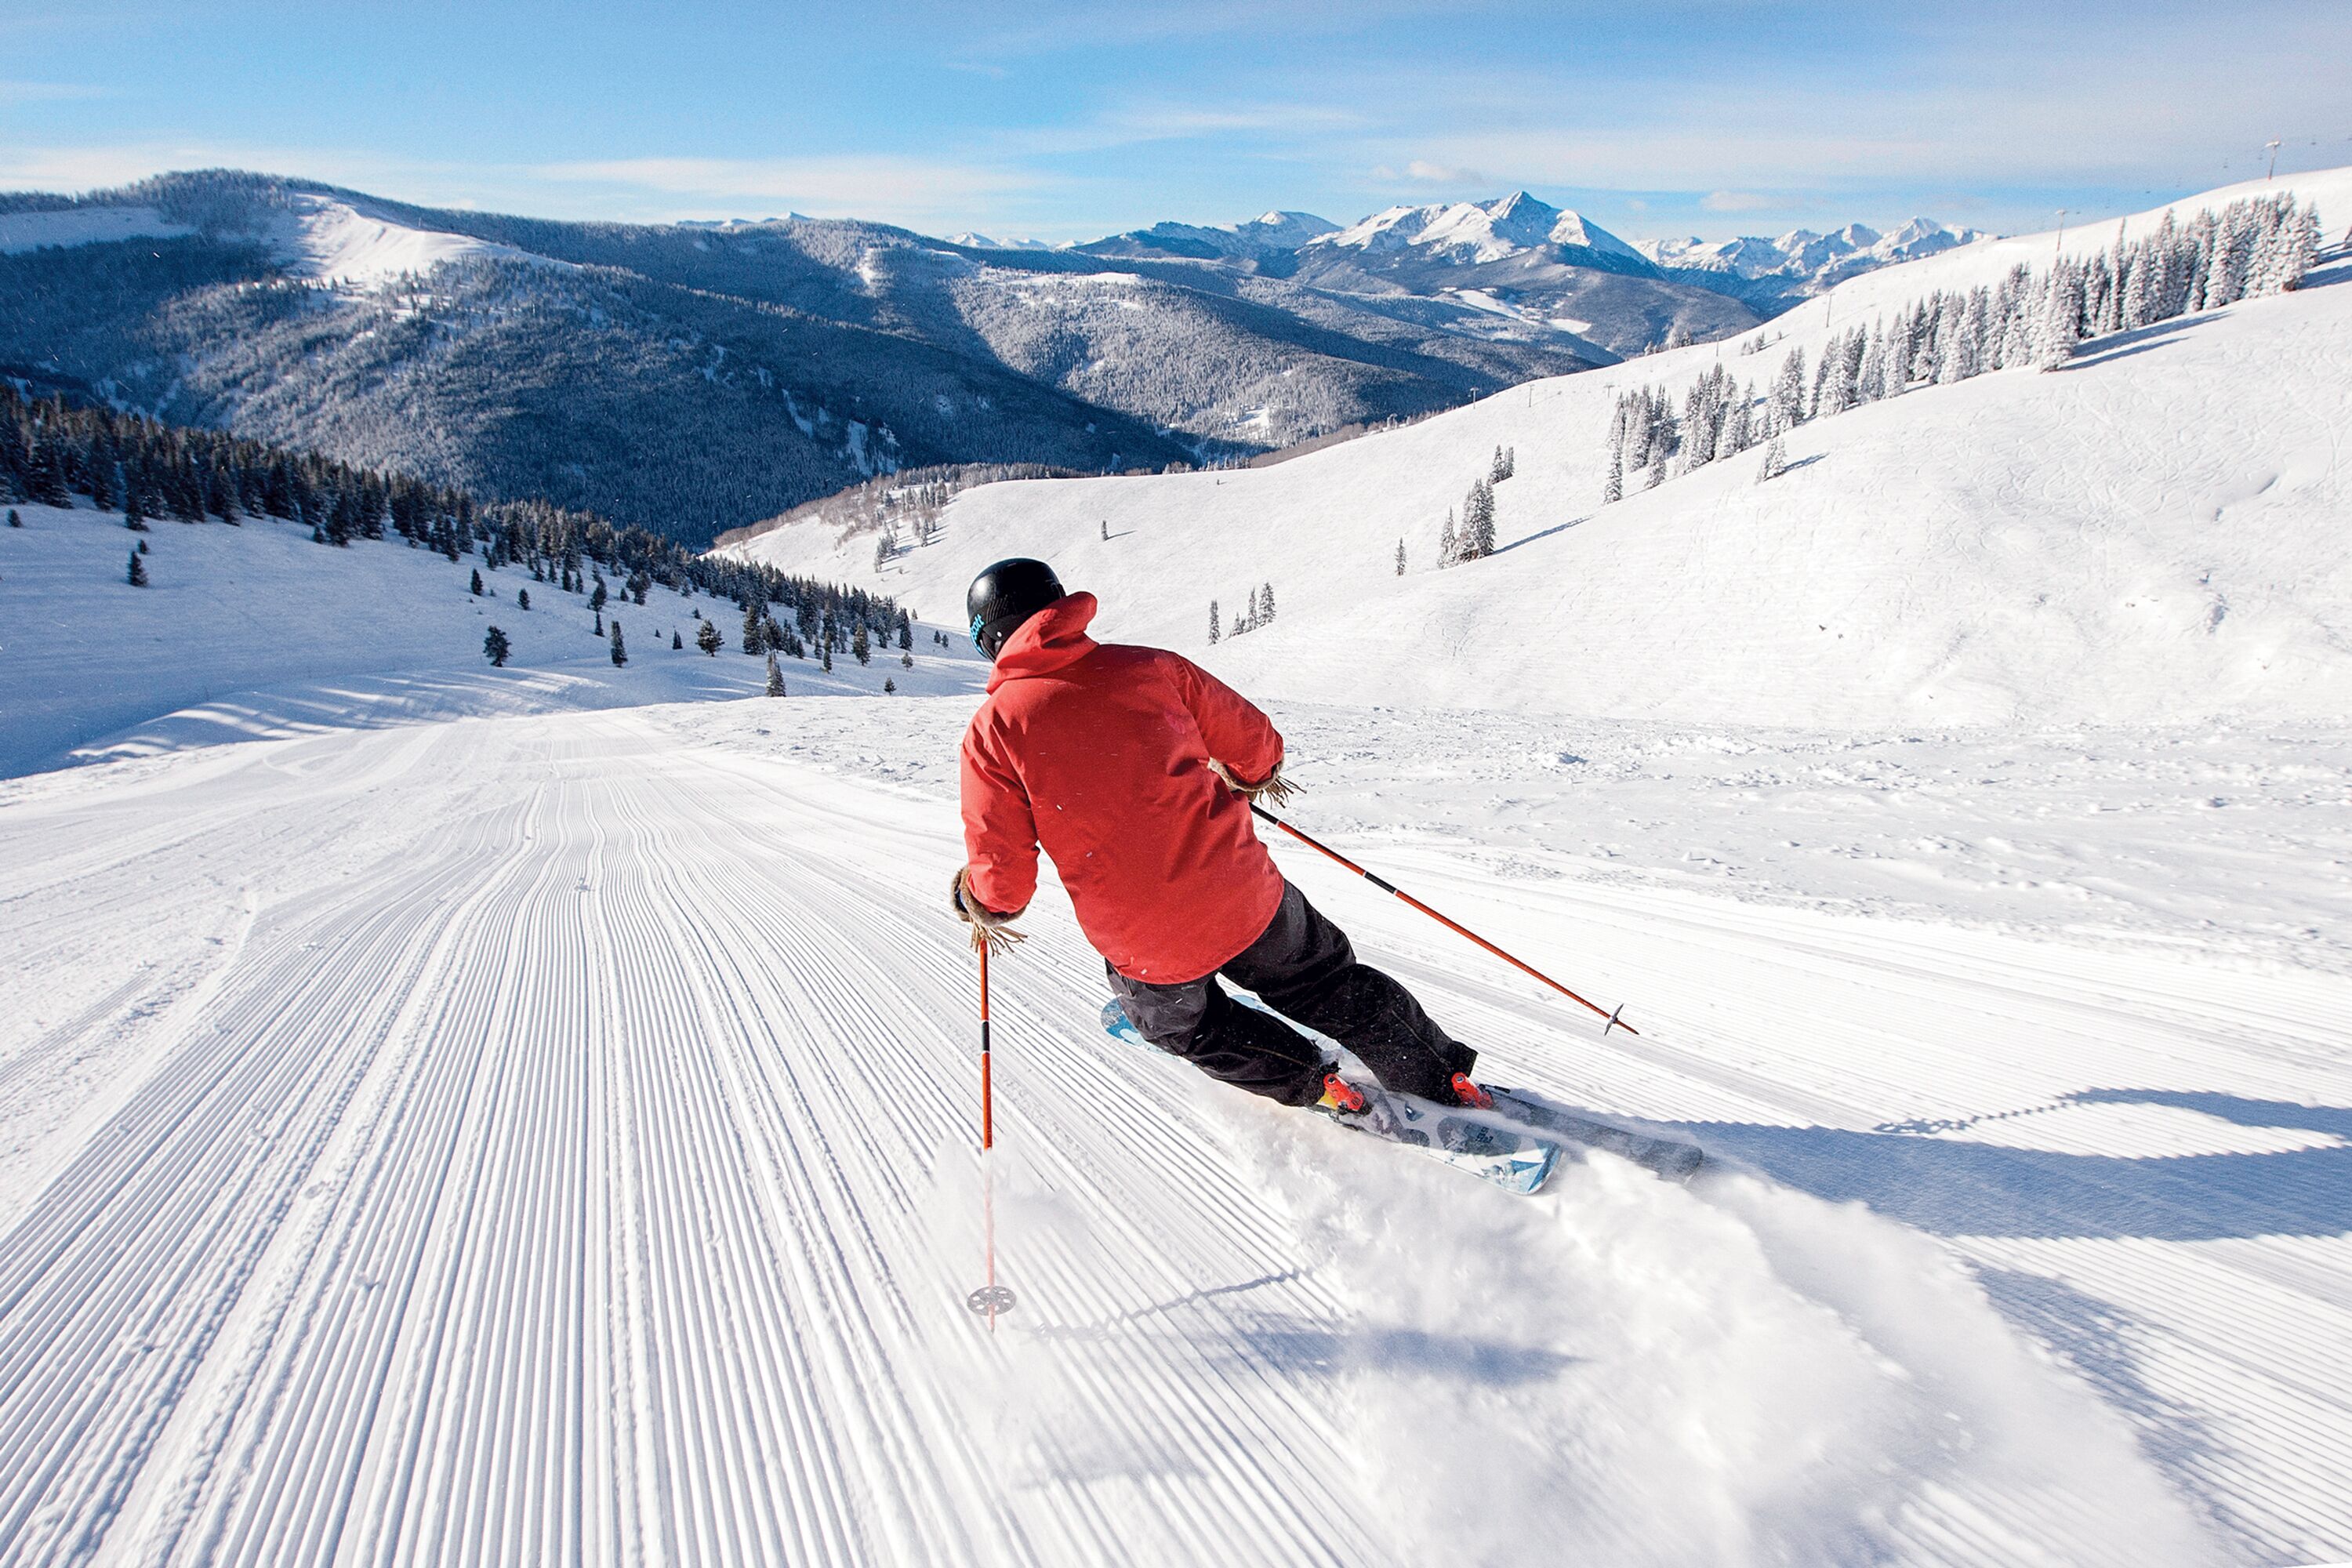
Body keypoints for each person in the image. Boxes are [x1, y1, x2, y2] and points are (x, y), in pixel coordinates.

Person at [950, 557, 1490, 1115]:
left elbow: (1005, 881)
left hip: (1148, 943)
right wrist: (1246, 777)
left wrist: (977, 899)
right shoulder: (1153, 668)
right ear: (1061, 608)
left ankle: (1313, 1080)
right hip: (1245, 896)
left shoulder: (993, 731)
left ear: (989, 639)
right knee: (1326, 982)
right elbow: (1257, 745)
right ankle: (1442, 1072)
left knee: (1187, 1028)